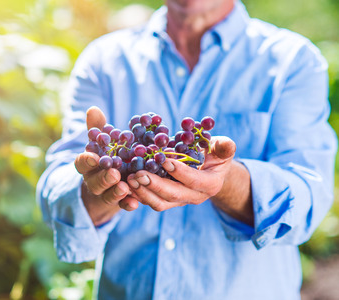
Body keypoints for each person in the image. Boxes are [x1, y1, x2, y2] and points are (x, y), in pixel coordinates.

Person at [37, 0, 337, 299]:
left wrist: (228, 182)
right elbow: (56, 189)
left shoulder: (292, 60)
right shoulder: (104, 60)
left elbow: (308, 197)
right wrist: (93, 190)